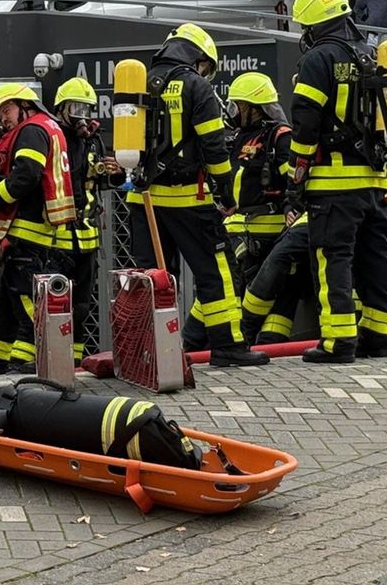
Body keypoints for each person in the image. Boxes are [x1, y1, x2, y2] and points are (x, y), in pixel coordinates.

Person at [127, 24, 267, 367]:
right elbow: (214, 148)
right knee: (215, 271)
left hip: (142, 199)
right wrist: (226, 193)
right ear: (199, 57)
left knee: (151, 276)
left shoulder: (137, 82)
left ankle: (149, 352)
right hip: (188, 198)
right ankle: (228, 346)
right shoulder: (195, 85)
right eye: (206, 64)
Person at [288, 0, 387, 363]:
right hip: (374, 180)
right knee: (377, 257)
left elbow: (305, 123)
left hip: (333, 184)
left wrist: (296, 173)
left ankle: (338, 343)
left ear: (314, 24)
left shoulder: (318, 59)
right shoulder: (370, 55)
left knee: (333, 258)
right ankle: (378, 337)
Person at [0, 84, 76, 374]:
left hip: (27, 227)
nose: (3, 118)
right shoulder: (45, 127)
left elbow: (25, 177)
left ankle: (45, 354)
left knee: (25, 293)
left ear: (25, 104)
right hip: (30, 227)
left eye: (6, 110)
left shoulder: (32, 130)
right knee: (7, 293)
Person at [221, 71, 308, 346]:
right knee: (237, 286)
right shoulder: (237, 138)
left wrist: (290, 205)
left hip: (270, 230)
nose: (233, 110)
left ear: (253, 108)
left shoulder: (280, 138)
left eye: (237, 105)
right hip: (237, 228)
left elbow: (292, 181)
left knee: (281, 286)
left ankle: (268, 343)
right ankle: (238, 340)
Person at [51, 76, 123, 361]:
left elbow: (99, 183)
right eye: (77, 108)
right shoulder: (52, 138)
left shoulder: (93, 141)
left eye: (87, 109)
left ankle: (75, 361)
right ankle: (51, 358)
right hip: (56, 239)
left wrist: (114, 173)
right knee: (55, 304)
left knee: (81, 305)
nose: (83, 116)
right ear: (61, 108)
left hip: (87, 238)